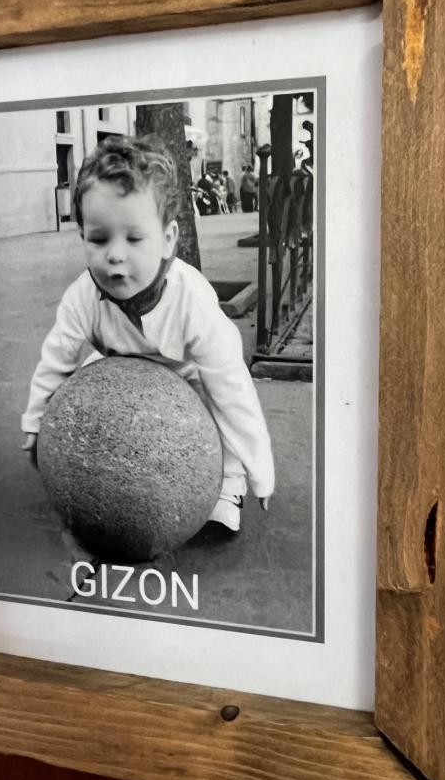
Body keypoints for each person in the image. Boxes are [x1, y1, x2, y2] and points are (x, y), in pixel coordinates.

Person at [21, 135, 274, 534]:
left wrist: (261, 470)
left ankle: (228, 487)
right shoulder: (82, 297)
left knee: (216, 402)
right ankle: (104, 482)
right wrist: (37, 423)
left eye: (134, 238)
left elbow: (233, 389)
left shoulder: (192, 301)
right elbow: (55, 360)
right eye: (99, 239)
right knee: (81, 383)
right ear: (82, 238)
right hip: (118, 363)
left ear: (168, 240)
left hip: (186, 369)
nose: (115, 254)